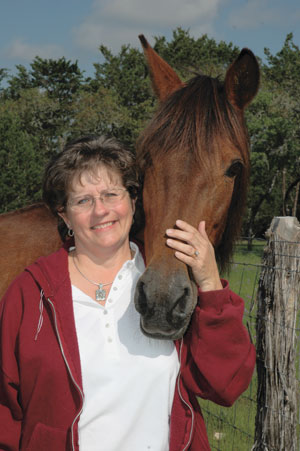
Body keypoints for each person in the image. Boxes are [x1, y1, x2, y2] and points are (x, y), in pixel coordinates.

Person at [0, 135, 255, 451]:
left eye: (111, 194)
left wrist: (211, 287)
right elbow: (5, 413)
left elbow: (224, 385)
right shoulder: (30, 292)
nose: (100, 211)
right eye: (83, 200)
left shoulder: (166, 285)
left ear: (134, 200)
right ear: (64, 215)